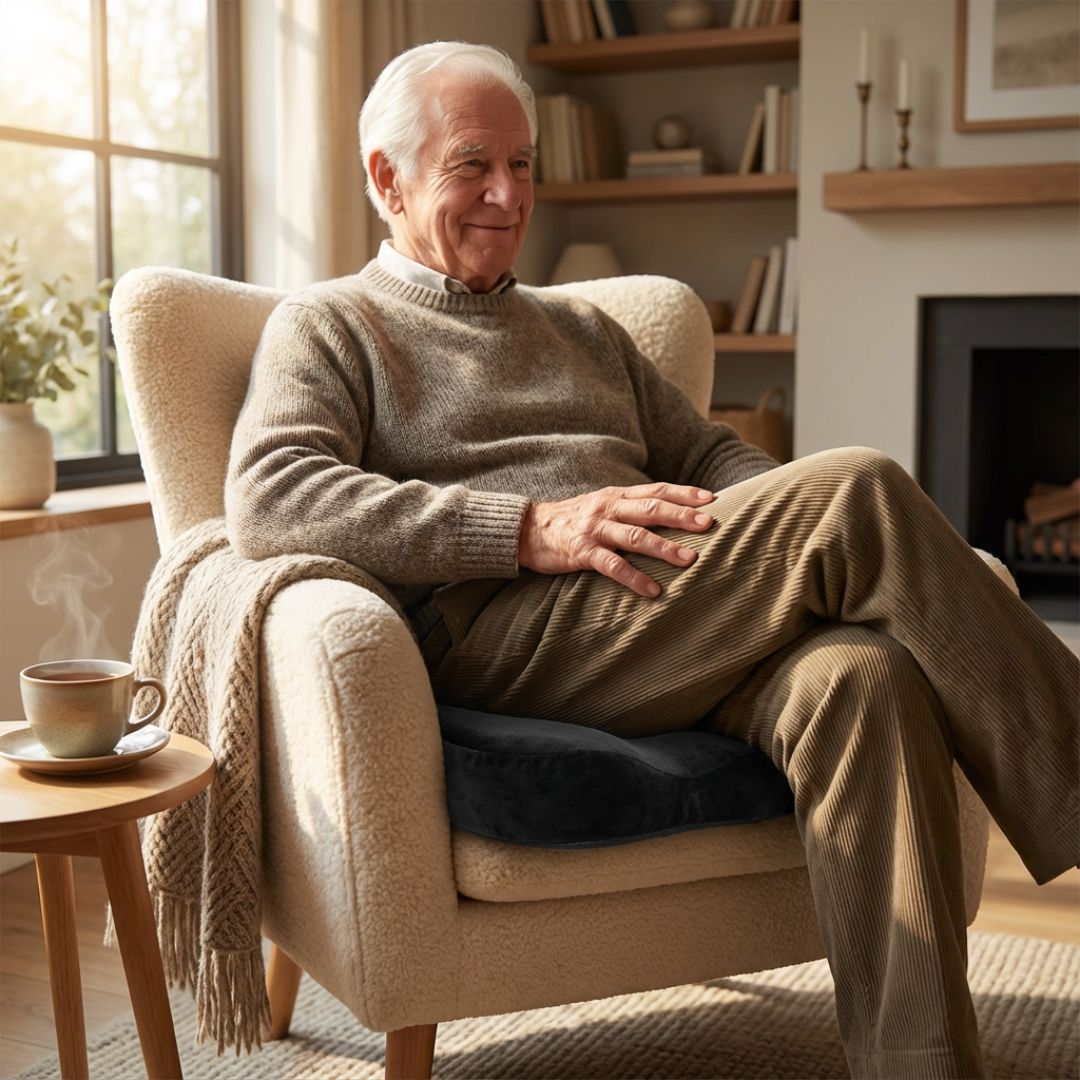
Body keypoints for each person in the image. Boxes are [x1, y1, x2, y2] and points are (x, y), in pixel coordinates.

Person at [225, 40, 1078, 1080]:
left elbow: (714, 456)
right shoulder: (332, 326)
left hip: (668, 614)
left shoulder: (586, 329)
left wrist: (750, 545)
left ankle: (919, 1066)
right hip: (505, 633)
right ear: (386, 177)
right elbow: (272, 497)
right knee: (857, 488)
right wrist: (532, 531)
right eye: (472, 165)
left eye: (525, 165)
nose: (507, 194)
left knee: (869, 678)